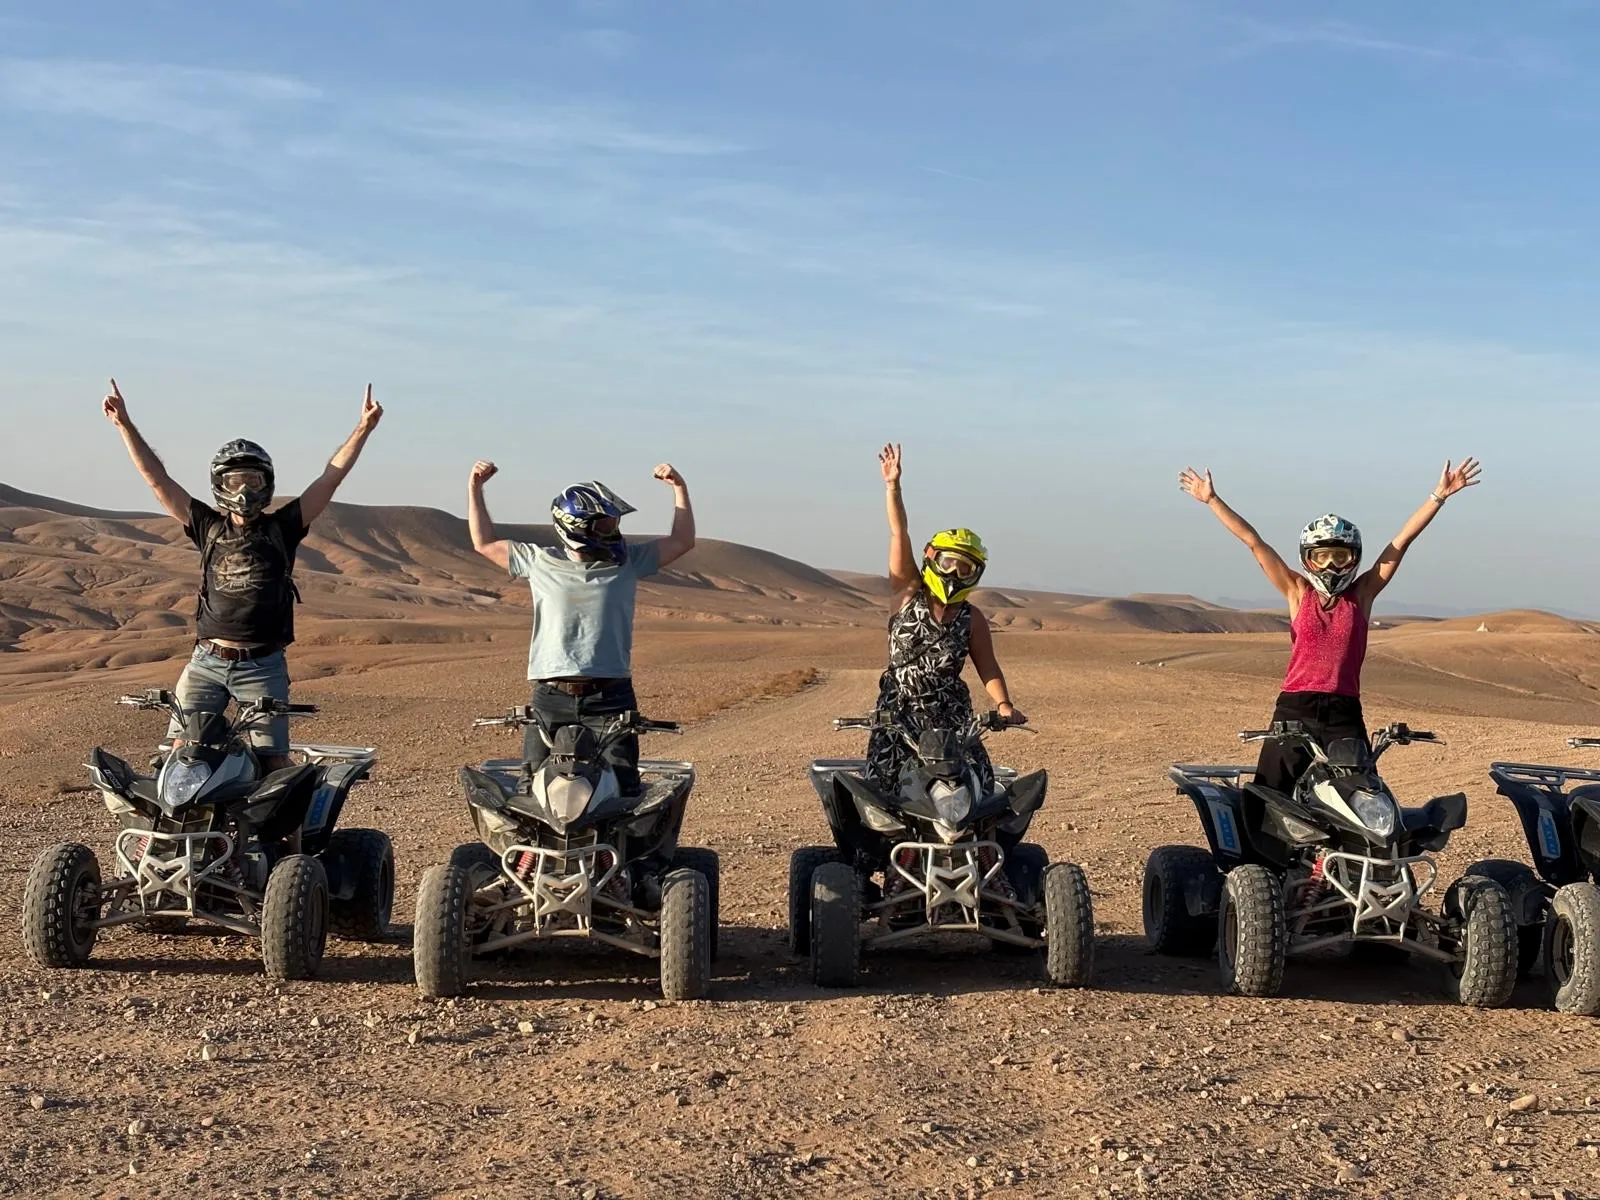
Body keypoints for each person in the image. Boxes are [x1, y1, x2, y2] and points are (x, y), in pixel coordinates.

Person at [103, 378, 384, 773]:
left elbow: (329, 478)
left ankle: (287, 838)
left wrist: (362, 429)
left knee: (274, 768)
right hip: (206, 662)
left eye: (252, 480)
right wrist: (125, 426)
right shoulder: (207, 526)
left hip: (263, 665)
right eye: (235, 481)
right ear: (220, 484)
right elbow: (158, 480)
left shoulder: (284, 527)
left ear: (267, 483)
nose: (243, 490)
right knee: (178, 760)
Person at [1177, 457, 1481, 794]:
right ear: (1308, 558)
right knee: (1266, 798)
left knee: (1364, 800)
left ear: (1355, 558)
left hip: (1344, 713)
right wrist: (1212, 500)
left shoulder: (1361, 595)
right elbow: (1254, 542)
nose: (1332, 565)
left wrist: (1438, 495)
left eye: (1341, 556)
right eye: (1322, 556)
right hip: (1295, 708)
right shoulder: (1297, 593)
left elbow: (1399, 544)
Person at [467, 460, 695, 794]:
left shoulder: (629, 561)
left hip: (611, 696)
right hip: (551, 696)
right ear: (576, 525)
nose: (613, 532)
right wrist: (475, 487)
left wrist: (680, 489)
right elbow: (484, 542)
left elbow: (682, 540)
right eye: (604, 525)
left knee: (622, 790)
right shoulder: (538, 560)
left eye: (614, 523)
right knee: (532, 791)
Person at [866, 443, 1025, 800]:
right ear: (933, 558)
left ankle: (986, 856)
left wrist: (1003, 706)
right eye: (949, 562)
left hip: (953, 722)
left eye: (964, 567)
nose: (955, 572)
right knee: (881, 797)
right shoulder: (906, 593)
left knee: (979, 792)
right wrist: (893, 488)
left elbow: (989, 669)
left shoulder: (972, 619)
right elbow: (898, 533)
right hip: (898, 715)